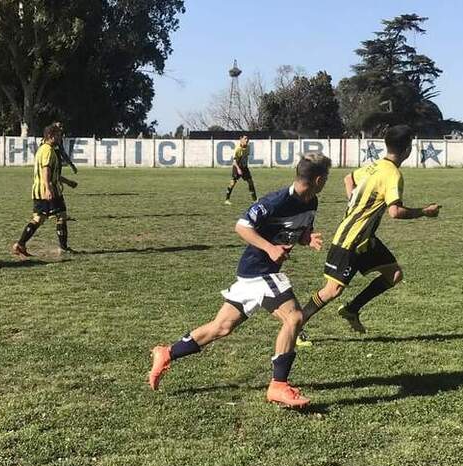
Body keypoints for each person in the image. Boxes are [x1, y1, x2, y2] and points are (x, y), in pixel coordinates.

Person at [149, 153, 332, 408]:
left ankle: (167, 352)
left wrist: (305, 239)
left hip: (254, 273)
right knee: (294, 318)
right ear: (319, 179)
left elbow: (295, 231)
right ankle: (278, 386)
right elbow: (242, 226)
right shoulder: (276, 201)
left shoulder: (312, 202)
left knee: (220, 327)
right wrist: (269, 248)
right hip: (260, 269)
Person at [297, 125, 440, 343]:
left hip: (365, 240)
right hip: (350, 240)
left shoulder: (375, 166)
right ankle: (296, 325)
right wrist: (424, 212)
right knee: (332, 290)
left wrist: (354, 203)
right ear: (408, 149)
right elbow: (395, 212)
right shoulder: (393, 174)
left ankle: (352, 309)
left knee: (394, 274)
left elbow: (348, 179)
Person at [11, 123, 78, 258]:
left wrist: (68, 182)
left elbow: (53, 173)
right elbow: (45, 170)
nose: (60, 138)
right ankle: (63, 247)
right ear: (50, 136)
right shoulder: (48, 150)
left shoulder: (43, 149)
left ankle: (20, 244)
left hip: (39, 189)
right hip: (47, 189)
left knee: (39, 218)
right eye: (58, 135)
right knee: (61, 215)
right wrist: (48, 188)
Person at [224, 135, 257, 204]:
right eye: (245, 138)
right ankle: (227, 200)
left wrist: (245, 167)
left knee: (250, 182)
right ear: (241, 139)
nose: (247, 140)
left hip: (244, 167)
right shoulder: (238, 149)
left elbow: (245, 157)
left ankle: (255, 200)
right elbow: (234, 161)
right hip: (237, 167)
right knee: (232, 183)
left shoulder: (248, 147)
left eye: (248, 138)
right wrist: (238, 169)